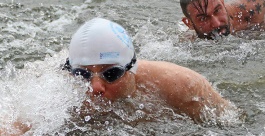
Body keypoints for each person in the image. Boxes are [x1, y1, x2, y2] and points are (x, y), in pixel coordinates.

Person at [64, 17, 234, 124]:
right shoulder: (60, 90)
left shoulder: (181, 85)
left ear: (132, 68)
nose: (95, 88)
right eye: (83, 74)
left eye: (111, 74)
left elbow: (232, 123)